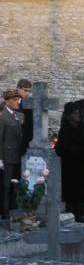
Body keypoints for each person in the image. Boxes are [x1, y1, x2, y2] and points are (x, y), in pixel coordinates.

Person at [55, 102, 84, 222]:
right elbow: (62, 148)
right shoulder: (65, 129)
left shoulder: (81, 127)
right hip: (69, 166)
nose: (78, 115)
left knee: (80, 190)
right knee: (70, 191)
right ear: (69, 115)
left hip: (81, 164)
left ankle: (79, 214)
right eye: (75, 113)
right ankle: (70, 215)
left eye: (78, 112)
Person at [0, 89, 24, 218]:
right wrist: (0, 159)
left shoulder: (18, 116)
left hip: (18, 155)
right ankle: (4, 212)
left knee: (16, 184)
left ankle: (14, 208)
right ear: (7, 101)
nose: (17, 102)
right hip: (7, 156)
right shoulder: (3, 117)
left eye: (18, 99)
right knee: (6, 185)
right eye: (14, 100)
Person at [16, 79, 33, 155]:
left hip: (25, 141)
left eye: (29, 91)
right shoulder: (10, 102)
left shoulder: (29, 105)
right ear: (18, 88)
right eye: (25, 90)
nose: (27, 93)